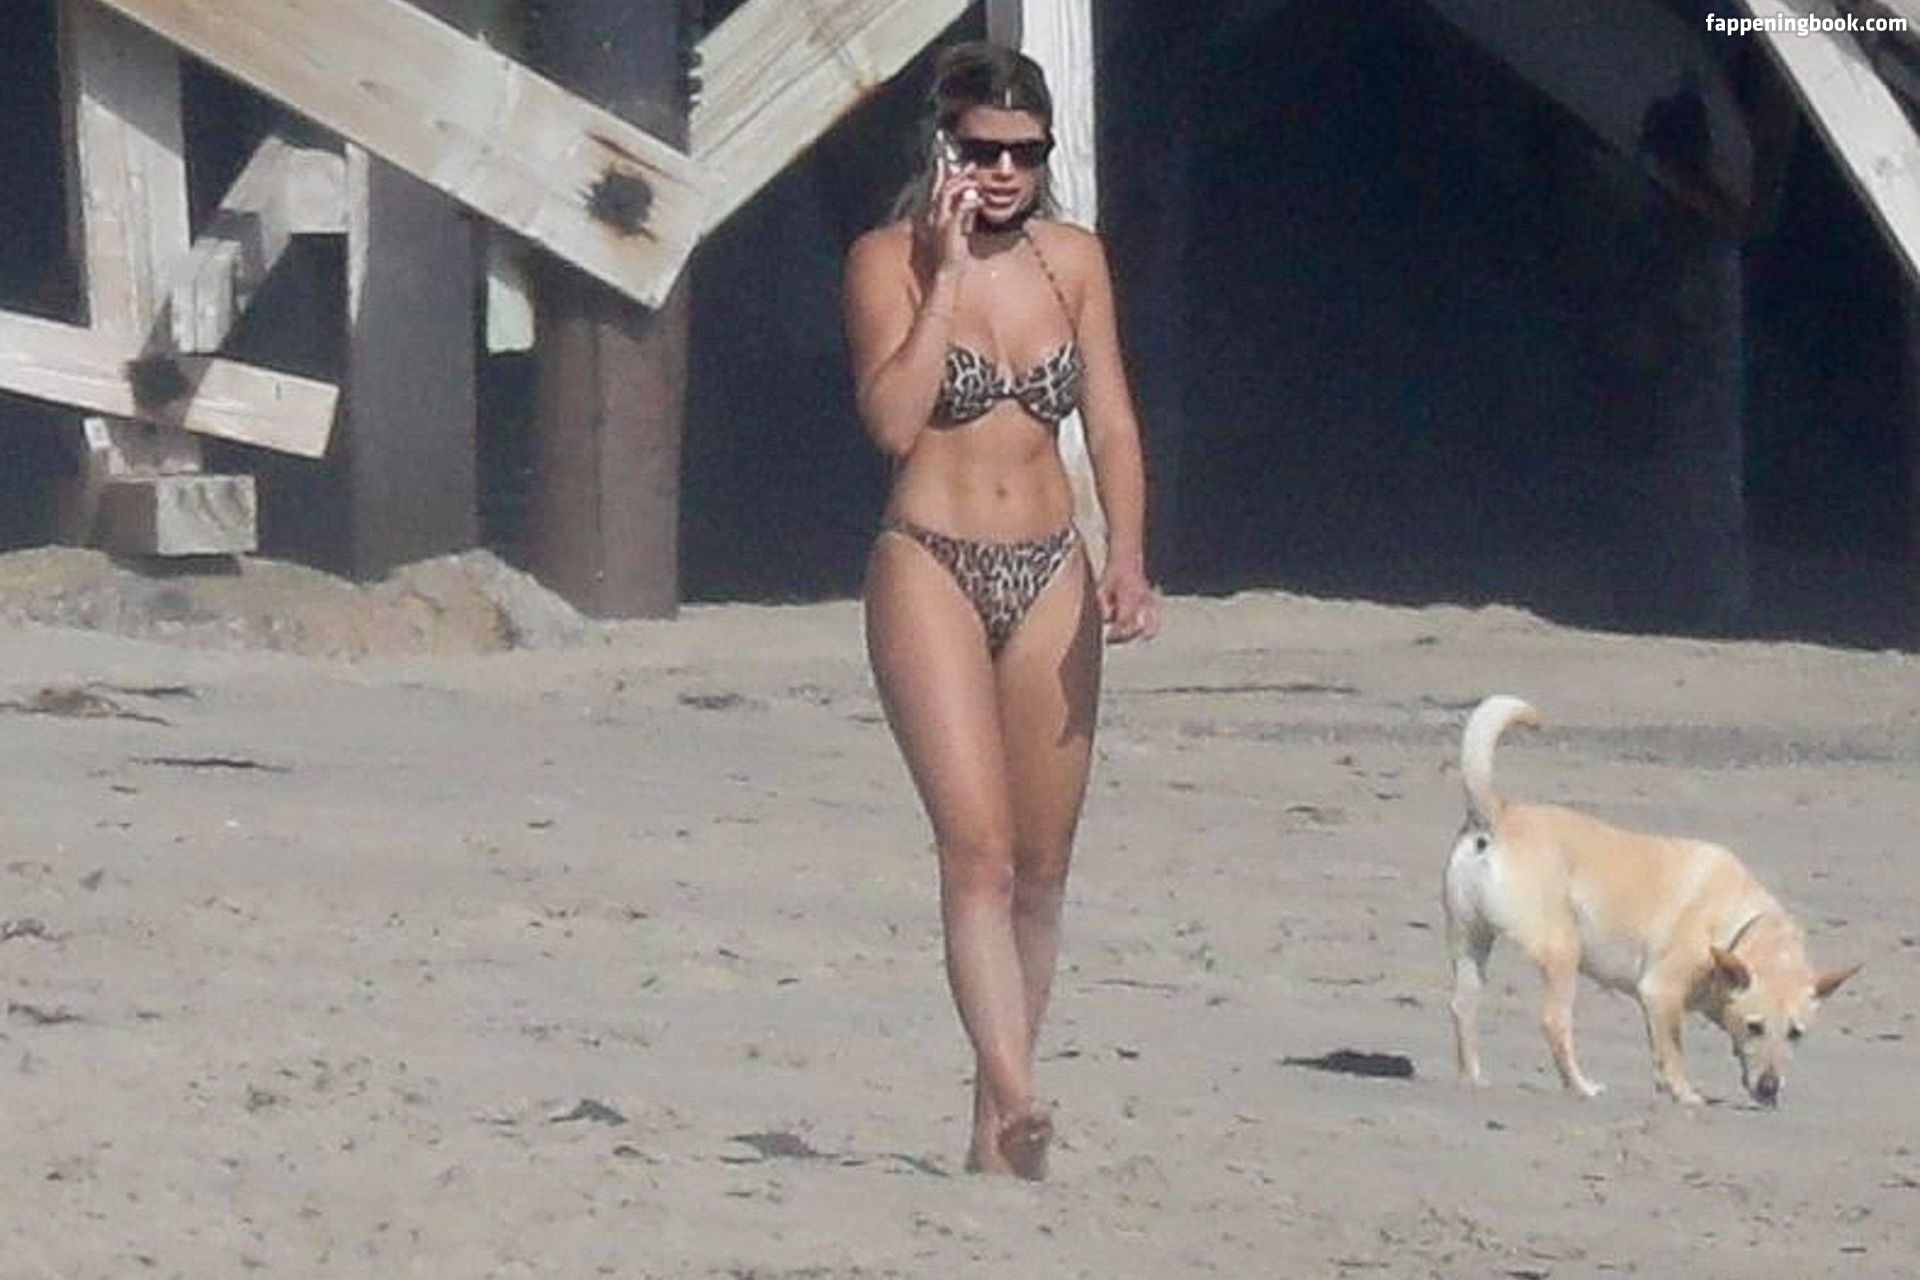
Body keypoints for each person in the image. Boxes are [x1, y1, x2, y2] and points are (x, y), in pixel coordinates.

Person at [841, 40, 1159, 1180]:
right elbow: (892, 419)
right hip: (929, 560)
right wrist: (943, 281)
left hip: (1051, 565)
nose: (1007, 172)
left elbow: (1109, 418)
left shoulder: (1075, 261)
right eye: (984, 151)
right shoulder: (884, 260)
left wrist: (1129, 555)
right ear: (944, 147)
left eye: (1028, 152)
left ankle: (994, 1134)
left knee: (1041, 865)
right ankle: (1021, 1092)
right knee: (975, 852)